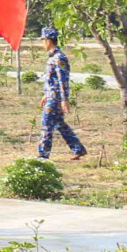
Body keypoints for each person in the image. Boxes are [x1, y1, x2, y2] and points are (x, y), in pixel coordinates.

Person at [36, 26, 87, 161]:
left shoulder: (59, 58)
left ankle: (43, 155)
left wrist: (64, 100)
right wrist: (46, 94)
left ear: (48, 41)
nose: (42, 44)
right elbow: (52, 80)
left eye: (43, 40)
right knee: (60, 124)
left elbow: (62, 80)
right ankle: (78, 149)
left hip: (56, 98)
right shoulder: (53, 57)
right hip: (52, 96)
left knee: (46, 125)